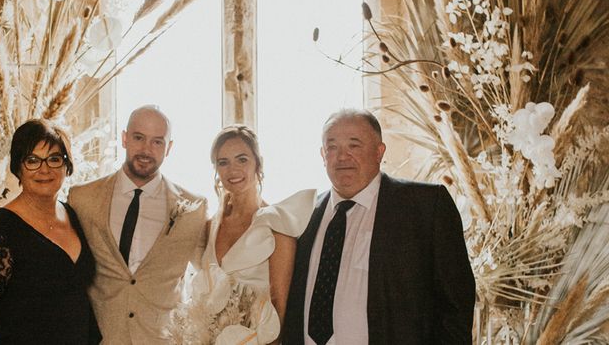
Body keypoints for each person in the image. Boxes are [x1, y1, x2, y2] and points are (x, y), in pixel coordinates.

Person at [284, 109, 476, 345]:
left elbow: (456, 307)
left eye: (354, 145)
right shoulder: (302, 215)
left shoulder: (425, 206)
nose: (342, 156)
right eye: (332, 147)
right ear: (323, 155)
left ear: (379, 152)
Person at [68, 105, 208, 344]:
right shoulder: (82, 199)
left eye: (157, 142)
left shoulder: (194, 208)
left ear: (169, 148)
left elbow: (212, 273)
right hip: (100, 338)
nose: (146, 149)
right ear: (124, 138)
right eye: (139, 138)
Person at [0, 119, 100, 345]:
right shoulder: (1, 229)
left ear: (67, 166)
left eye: (54, 159)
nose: (44, 169)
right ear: (18, 168)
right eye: (32, 160)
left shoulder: (72, 214)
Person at [175, 125, 315, 345]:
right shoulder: (209, 226)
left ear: (258, 164)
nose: (233, 170)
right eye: (223, 162)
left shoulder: (277, 224)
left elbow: (280, 307)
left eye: (242, 160)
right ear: (216, 170)